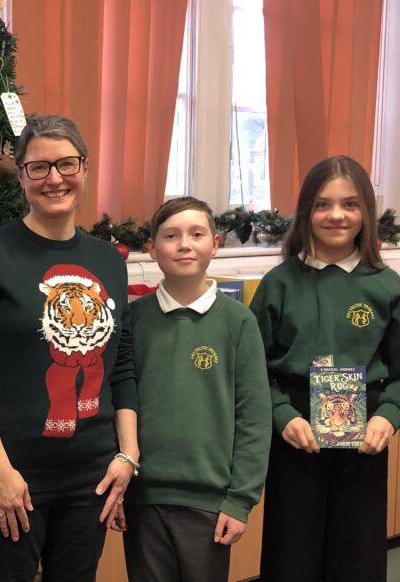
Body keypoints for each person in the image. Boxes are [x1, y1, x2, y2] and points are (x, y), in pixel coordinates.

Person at [0, 114, 139, 582]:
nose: (55, 178)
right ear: (23, 176)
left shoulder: (108, 260)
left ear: (85, 169)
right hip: (10, 476)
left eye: (66, 164)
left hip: (91, 477)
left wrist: (127, 455)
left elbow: (123, 365)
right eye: (38, 167)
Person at [249, 155, 400, 582]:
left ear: (365, 211)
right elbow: (250, 371)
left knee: (357, 556)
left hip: (363, 439)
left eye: (349, 204)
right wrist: (280, 414)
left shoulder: (383, 284)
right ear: (306, 211)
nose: (337, 215)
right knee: (292, 555)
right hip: (296, 436)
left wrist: (389, 415)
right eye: (323, 204)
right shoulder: (279, 283)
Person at [123, 197, 270, 582]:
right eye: (171, 236)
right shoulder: (134, 319)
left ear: (215, 244)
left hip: (210, 502)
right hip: (144, 498)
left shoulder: (239, 322)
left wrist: (241, 500)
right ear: (152, 248)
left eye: (196, 234)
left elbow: (254, 416)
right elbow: (120, 401)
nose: (184, 244)